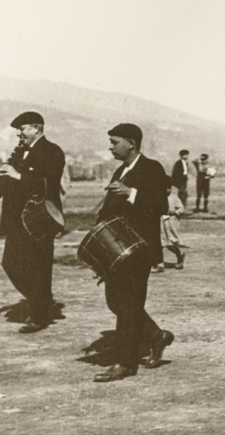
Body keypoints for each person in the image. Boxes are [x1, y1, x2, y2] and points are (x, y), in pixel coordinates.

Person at [92, 123, 174, 383]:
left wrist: (131, 193)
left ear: (131, 143)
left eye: (115, 142)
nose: (110, 147)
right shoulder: (120, 171)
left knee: (128, 303)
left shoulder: (151, 168)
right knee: (116, 301)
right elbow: (108, 211)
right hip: (118, 249)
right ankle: (157, 336)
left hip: (139, 249)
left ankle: (125, 363)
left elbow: (161, 205)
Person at [0, 112, 66, 334]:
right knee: (10, 263)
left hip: (39, 220)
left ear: (37, 129)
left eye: (23, 129)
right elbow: (4, 177)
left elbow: (49, 184)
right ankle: (43, 302)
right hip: (15, 221)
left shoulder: (52, 151)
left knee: (38, 267)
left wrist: (17, 175)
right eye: (18, 130)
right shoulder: (20, 151)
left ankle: (39, 315)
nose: (19, 134)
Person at [160, 191, 187, 271]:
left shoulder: (174, 197)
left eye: (168, 188)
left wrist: (174, 212)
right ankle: (159, 262)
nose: (166, 190)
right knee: (160, 242)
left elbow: (182, 209)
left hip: (171, 224)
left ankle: (179, 255)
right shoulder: (159, 196)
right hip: (161, 223)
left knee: (170, 243)